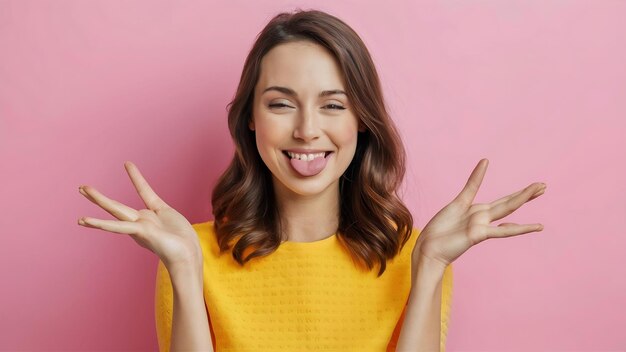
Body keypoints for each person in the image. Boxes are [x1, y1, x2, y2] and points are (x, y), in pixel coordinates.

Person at [77, 9, 546, 352]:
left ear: (362, 121)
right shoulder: (188, 253)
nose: (306, 129)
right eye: (281, 103)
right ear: (251, 120)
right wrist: (183, 267)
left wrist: (428, 269)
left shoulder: (415, 254)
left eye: (333, 105)